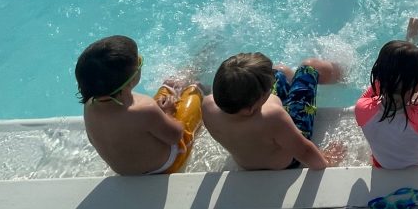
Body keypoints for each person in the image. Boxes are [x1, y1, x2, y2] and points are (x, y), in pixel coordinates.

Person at [76, 35, 204, 175]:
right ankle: (199, 89)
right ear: (131, 79)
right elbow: (175, 135)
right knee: (195, 90)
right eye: (139, 61)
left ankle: (171, 85)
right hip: (164, 167)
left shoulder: (89, 106)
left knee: (171, 85)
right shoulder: (145, 110)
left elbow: (94, 139)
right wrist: (168, 113)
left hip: (124, 170)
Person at [202, 52, 345, 170]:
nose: (271, 89)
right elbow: (305, 151)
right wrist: (325, 162)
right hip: (289, 163)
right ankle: (344, 72)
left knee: (280, 71)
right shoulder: (273, 118)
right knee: (310, 67)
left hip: (248, 162)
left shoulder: (208, 106)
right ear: (251, 108)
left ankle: (287, 78)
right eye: (268, 90)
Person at [355, 17, 418, 168]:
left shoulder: (362, 108)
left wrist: (386, 77)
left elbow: (371, 94)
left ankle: (410, 43)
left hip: (383, 163)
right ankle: (411, 43)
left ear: (379, 76)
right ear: (417, 85)